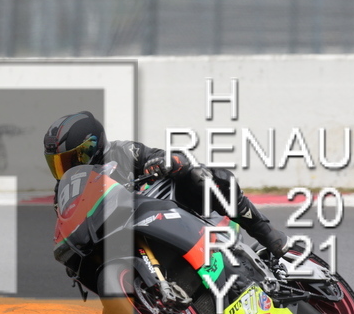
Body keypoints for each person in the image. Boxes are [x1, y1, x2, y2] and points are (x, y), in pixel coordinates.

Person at [43, 110, 288, 258]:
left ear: (94, 146)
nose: (68, 168)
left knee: (200, 175)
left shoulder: (121, 152)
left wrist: (166, 162)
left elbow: (171, 158)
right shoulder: (64, 193)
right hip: (121, 241)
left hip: (166, 214)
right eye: (59, 163)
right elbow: (67, 226)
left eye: (73, 159)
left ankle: (266, 232)